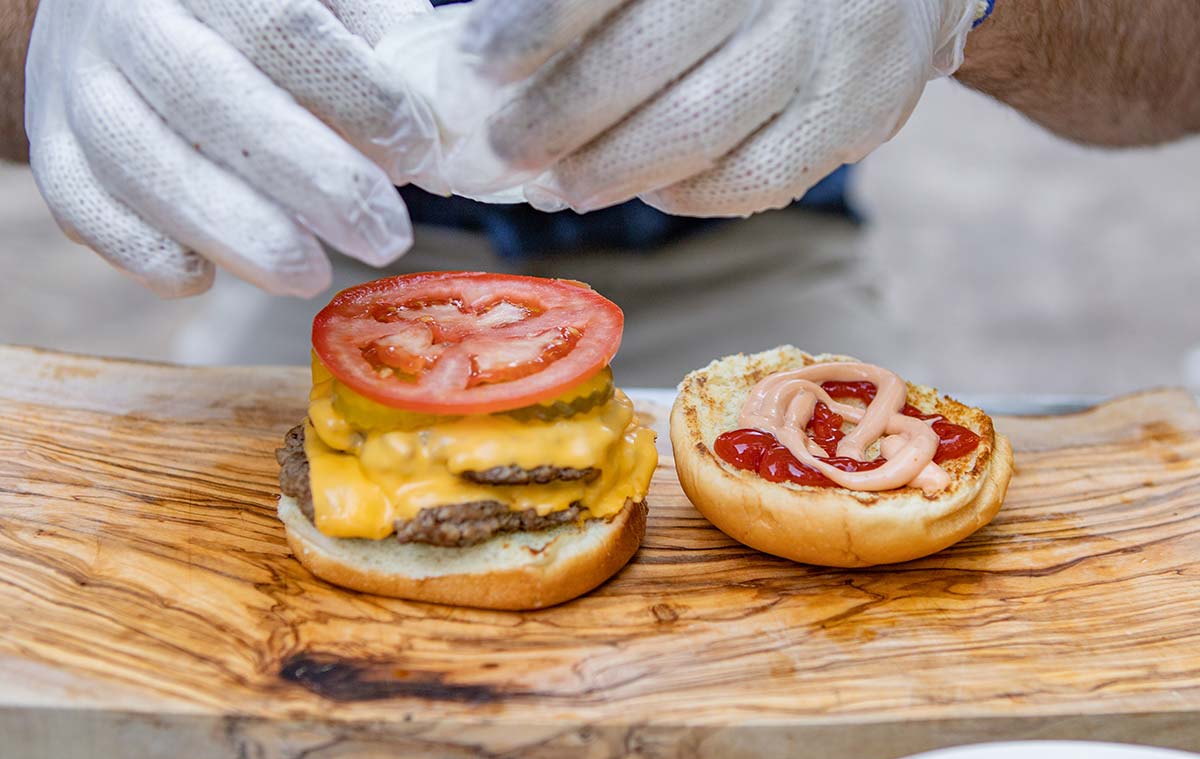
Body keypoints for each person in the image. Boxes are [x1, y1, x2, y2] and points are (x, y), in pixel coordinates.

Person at [1, 0, 1197, 384]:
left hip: (754, 266)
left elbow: (1170, 71)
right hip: (334, 281)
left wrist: (960, 7)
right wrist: (60, 24)